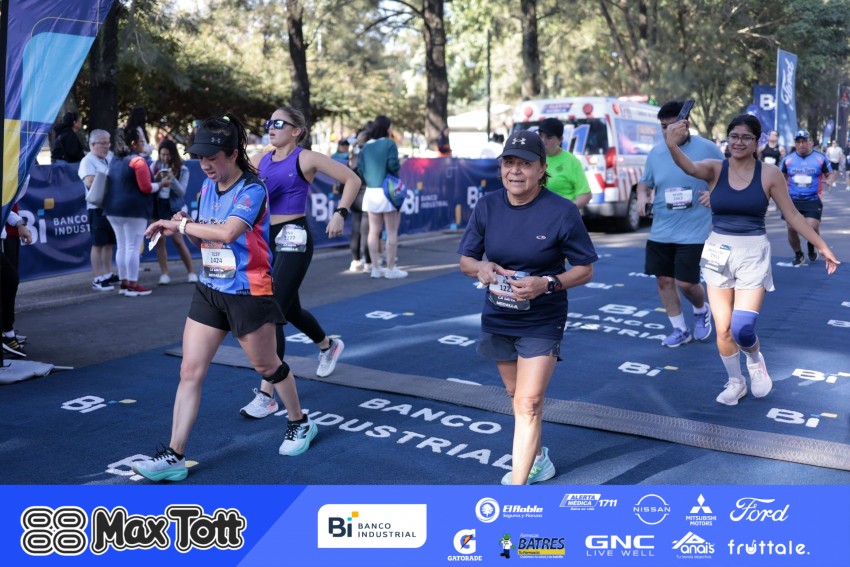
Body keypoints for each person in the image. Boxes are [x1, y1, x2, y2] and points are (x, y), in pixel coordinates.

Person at [132, 115, 316, 482]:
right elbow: (204, 239)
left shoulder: (253, 189)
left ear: (232, 154)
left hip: (248, 292)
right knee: (190, 370)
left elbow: (230, 232)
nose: (204, 164)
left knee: (268, 366)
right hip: (210, 289)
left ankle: (300, 422)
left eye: (211, 157)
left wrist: (182, 225)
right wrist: (185, 225)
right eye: (199, 157)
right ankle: (174, 455)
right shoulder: (206, 188)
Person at [665, 114, 839, 406]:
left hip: (753, 253)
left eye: (746, 137)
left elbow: (793, 215)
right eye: (734, 136)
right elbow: (689, 167)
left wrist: (821, 245)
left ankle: (756, 361)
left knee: (742, 328)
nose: (739, 142)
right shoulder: (715, 168)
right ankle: (736, 382)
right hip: (718, 251)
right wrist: (672, 144)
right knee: (723, 329)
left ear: (757, 142)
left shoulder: (769, 173)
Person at [458, 131, 597, 485]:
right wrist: (482, 267)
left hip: (542, 319)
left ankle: (516, 492)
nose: (515, 171)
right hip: (499, 315)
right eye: (509, 163)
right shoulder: (487, 205)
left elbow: (584, 269)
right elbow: (466, 260)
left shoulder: (562, 211)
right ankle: (538, 459)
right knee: (516, 396)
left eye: (525, 164)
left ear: (542, 168)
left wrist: (546, 283)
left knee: (529, 402)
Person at [238, 107, 360, 420]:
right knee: (289, 309)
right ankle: (328, 345)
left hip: (294, 236)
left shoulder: (306, 158)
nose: (271, 127)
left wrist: (340, 212)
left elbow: (352, 179)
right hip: (266, 239)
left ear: (296, 130)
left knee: (272, 308)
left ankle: (267, 394)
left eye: (279, 123)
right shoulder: (259, 159)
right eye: (268, 122)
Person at [636, 101, 723, 348]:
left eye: (671, 126)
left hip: (696, 229)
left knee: (686, 283)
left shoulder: (708, 148)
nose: (667, 131)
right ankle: (680, 329)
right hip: (662, 229)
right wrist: (642, 197)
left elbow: (728, 177)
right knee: (663, 280)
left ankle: (701, 309)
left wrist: (715, 194)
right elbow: (645, 183)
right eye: (663, 127)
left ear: (686, 124)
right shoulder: (656, 153)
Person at [102, 126, 160, 296]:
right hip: (133, 210)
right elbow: (146, 187)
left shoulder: (113, 160)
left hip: (112, 209)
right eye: (141, 140)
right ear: (133, 143)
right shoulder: (138, 161)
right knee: (132, 247)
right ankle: (133, 284)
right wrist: (160, 185)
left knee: (122, 246)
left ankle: (124, 283)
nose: (143, 144)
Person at [359, 115, 407, 279]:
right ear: (387, 127)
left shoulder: (366, 146)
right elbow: (393, 165)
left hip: (371, 191)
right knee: (391, 231)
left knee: (373, 231)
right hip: (388, 191)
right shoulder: (389, 144)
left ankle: (375, 268)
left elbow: (360, 169)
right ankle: (391, 268)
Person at [779, 129, 834, 265]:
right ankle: (798, 254)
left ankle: (811, 244)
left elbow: (830, 174)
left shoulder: (820, 158)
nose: (801, 144)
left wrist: (829, 181)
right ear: (795, 143)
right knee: (791, 229)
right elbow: (780, 176)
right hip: (792, 200)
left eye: (804, 141)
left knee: (810, 227)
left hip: (812, 199)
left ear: (810, 142)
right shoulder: (788, 159)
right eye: (798, 142)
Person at [77, 129, 119, 291]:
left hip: (110, 206)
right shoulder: (87, 161)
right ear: (92, 144)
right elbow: (89, 181)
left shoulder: (110, 157)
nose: (106, 146)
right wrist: (110, 177)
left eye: (108, 143)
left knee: (109, 243)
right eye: (103, 143)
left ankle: (107, 273)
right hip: (97, 207)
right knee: (98, 243)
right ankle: (97, 277)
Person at [150, 139, 196, 285]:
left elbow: (182, 192)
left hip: (174, 208)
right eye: (162, 154)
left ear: (173, 154)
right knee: (159, 241)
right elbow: (150, 187)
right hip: (158, 206)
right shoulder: (154, 166)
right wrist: (157, 180)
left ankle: (191, 272)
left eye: (168, 155)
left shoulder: (183, 169)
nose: (165, 158)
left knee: (178, 240)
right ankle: (164, 274)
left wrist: (172, 179)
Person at [536, 117, 592, 209]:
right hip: (537, 214)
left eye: (549, 137)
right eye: (540, 135)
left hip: (562, 215)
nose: (543, 141)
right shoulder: (532, 159)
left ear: (560, 140)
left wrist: (568, 210)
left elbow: (585, 195)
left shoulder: (571, 161)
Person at [1, 204, 33, 357]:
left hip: (6, 232)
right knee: (9, 279)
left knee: (10, 279)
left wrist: (20, 223)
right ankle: (6, 332)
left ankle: (7, 332)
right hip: (6, 234)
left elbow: (4, 204)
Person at [347, 124, 372, 272]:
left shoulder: (353, 154)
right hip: (366, 194)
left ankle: (355, 260)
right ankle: (368, 261)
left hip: (354, 195)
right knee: (367, 231)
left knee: (356, 229)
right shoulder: (366, 155)